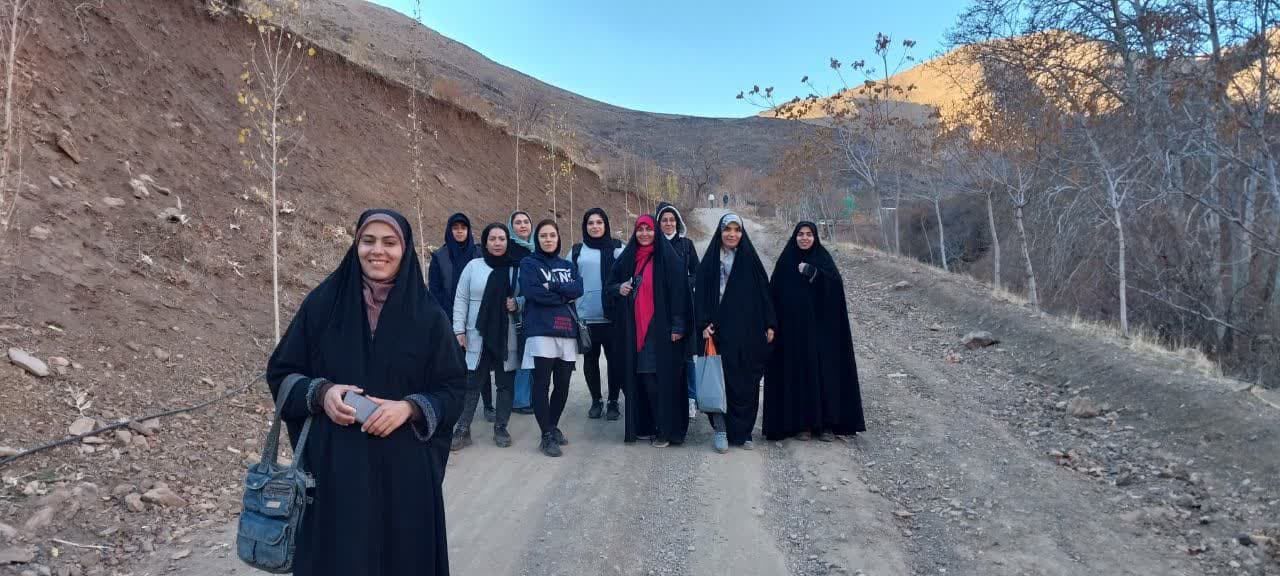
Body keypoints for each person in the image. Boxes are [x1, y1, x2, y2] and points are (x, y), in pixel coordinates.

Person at [266, 209, 466, 576]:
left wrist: (410, 408)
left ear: (405, 250)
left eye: (390, 242)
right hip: (335, 475)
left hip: (405, 478)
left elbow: (453, 388)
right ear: (356, 245)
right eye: (368, 241)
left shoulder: (428, 317)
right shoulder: (323, 306)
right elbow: (282, 373)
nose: (378, 251)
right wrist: (322, 392)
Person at [764, 222, 866, 442]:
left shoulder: (823, 259)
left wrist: (815, 274)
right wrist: (771, 324)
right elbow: (774, 294)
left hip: (823, 332)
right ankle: (802, 424)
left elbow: (836, 288)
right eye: (800, 234)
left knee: (824, 374)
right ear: (795, 237)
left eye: (809, 234)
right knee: (800, 375)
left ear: (815, 237)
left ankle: (827, 424)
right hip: (794, 332)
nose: (804, 238)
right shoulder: (786, 261)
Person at [607, 215, 690, 446]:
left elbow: (680, 293)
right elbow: (609, 286)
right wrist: (619, 288)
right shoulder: (628, 258)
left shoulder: (668, 259)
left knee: (655, 380)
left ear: (656, 231)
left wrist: (678, 326)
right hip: (633, 329)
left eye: (649, 229)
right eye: (640, 229)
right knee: (639, 380)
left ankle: (665, 430)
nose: (644, 233)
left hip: (660, 329)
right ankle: (645, 425)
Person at [695, 213, 775, 453]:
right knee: (719, 380)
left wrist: (770, 323)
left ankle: (743, 432)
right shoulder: (710, 262)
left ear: (742, 233)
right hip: (718, 332)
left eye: (736, 229)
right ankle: (721, 429)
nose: (732, 234)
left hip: (747, 332)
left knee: (747, 382)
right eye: (727, 229)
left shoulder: (750, 261)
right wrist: (703, 324)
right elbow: (699, 297)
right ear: (720, 232)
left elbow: (764, 294)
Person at [451, 223, 523, 450]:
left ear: (508, 241)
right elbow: (461, 298)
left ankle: (501, 427)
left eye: (502, 239)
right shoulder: (473, 266)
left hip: (505, 334)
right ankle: (463, 429)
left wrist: (517, 303)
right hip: (477, 333)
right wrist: (459, 330)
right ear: (485, 242)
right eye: (492, 239)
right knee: (472, 382)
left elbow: (528, 296)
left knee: (505, 383)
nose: (497, 243)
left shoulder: (516, 268)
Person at [519, 220, 584, 457]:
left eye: (552, 235)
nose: (548, 239)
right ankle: (545, 435)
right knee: (542, 384)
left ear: (558, 238)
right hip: (540, 332)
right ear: (537, 239)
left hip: (567, 331)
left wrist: (550, 286)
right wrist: (563, 296)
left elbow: (578, 289)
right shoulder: (529, 263)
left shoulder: (567, 265)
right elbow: (532, 292)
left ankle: (552, 425)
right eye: (543, 235)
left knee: (563, 384)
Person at [570, 208, 625, 420]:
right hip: (587, 318)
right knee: (590, 361)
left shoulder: (618, 248)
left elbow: (631, 274)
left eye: (599, 222)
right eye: (590, 223)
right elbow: (568, 280)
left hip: (613, 317)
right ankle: (596, 400)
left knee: (615, 361)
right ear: (585, 226)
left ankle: (613, 401)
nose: (595, 226)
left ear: (606, 225)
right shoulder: (577, 251)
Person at [656, 202, 700, 418]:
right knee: (664, 355)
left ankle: (691, 397)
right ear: (658, 224)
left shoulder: (686, 245)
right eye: (664, 220)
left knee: (687, 356)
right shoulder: (653, 246)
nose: (668, 223)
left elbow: (697, 272)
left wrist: (684, 284)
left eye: (672, 220)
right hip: (659, 307)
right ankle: (669, 397)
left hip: (684, 306)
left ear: (678, 222)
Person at [508, 210, 536, 415]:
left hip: (534, 310)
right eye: (517, 222)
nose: (523, 225)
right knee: (516, 355)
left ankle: (530, 397)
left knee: (532, 355)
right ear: (511, 227)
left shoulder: (537, 251)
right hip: (511, 312)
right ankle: (519, 400)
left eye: (526, 221)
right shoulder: (506, 251)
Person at [428, 213, 479, 319]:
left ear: (468, 231)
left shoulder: (479, 254)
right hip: (448, 314)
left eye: (463, 228)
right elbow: (435, 290)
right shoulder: (439, 257)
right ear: (449, 230)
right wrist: (446, 314)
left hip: (476, 313)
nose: (459, 231)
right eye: (455, 228)